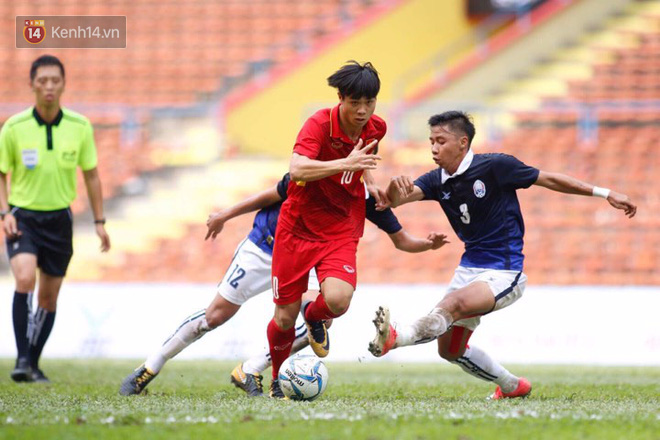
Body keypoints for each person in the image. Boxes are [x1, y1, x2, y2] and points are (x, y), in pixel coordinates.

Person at [368, 110, 636, 399]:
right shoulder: (437, 179)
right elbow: (394, 201)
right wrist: (395, 189)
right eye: (431, 141)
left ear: (462, 142)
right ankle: (512, 386)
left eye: (440, 141)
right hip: (469, 268)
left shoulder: (495, 166)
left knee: (452, 304)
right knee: (450, 350)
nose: (433, 148)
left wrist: (604, 192)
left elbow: (550, 180)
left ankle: (396, 336)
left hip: (504, 270)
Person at [119, 173, 447, 397]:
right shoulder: (312, 170)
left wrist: (427, 245)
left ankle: (251, 369)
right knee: (215, 316)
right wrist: (225, 214)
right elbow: (271, 193)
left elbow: (402, 240)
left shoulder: (364, 197)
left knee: (327, 311)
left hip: (313, 256)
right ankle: (150, 367)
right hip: (267, 246)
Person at [266, 60, 388, 398]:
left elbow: (362, 161)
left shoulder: (377, 128)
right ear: (340, 98)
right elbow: (297, 169)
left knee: (338, 300)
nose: (363, 111)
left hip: (341, 227)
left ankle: (314, 313)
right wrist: (344, 163)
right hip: (298, 227)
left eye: (370, 102)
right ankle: (278, 378)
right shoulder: (318, 124)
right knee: (284, 318)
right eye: (355, 103)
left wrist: (371, 180)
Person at [0, 55, 111, 383]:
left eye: (55, 80)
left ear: (63, 84)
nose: (49, 86)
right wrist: (4, 212)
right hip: (23, 216)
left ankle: (32, 363)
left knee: (48, 298)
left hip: (60, 220)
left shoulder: (80, 126)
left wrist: (99, 222)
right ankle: (21, 359)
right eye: (42, 80)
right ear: (32, 84)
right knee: (24, 280)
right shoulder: (14, 127)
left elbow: (91, 176)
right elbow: (1, 173)